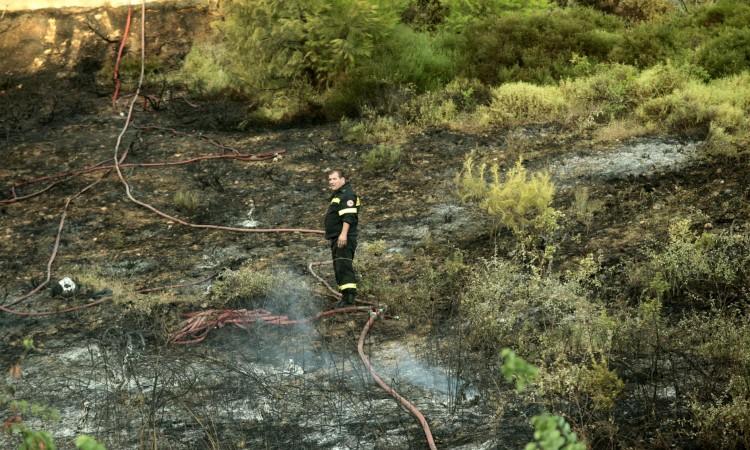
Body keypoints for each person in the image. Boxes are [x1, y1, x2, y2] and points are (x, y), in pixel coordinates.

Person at [324, 169, 360, 307]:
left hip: (343, 238)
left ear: (343, 179)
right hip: (337, 238)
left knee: (344, 266)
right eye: (330, 180)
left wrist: (343, 234)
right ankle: (345, 297)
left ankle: (349, 299)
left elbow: (348, 217)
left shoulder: (347, 195)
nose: (331, 182)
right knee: (339, 266)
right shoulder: (339, 195)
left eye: (334, 179)